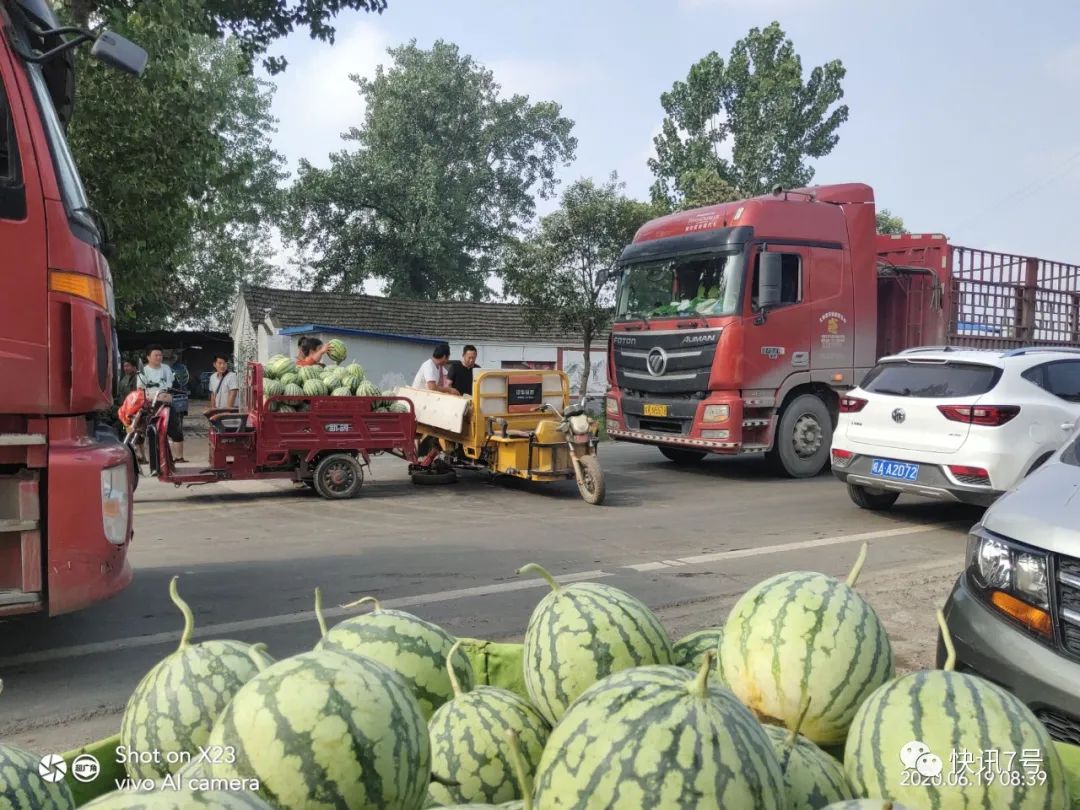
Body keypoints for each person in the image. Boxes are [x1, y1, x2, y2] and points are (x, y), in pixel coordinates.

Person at [137, 344, 185, 462]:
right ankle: (142, 457)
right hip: (149, 405)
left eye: (160, 355)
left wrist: (167, 396)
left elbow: (170, 386)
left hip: (166, 404)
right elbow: (140, 391)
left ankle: (179, 457)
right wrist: (153, 397)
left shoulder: (166, 369)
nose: (159, 357)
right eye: (156, 355)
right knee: (141, 431)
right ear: (148, 357)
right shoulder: (144, 371)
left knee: (175, 430)